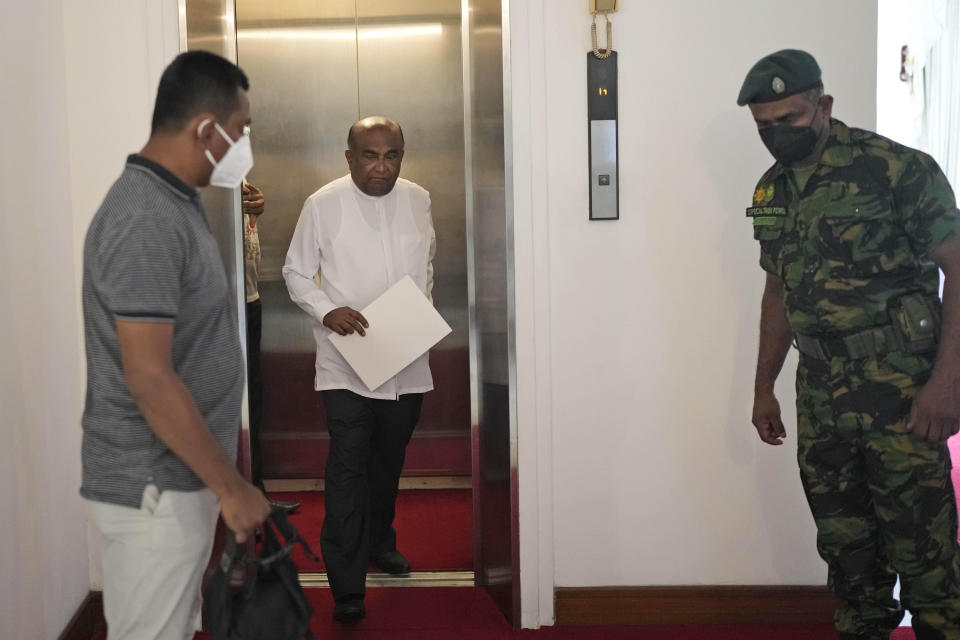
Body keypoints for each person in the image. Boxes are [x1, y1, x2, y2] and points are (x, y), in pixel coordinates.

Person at [741, 49, 960, 640]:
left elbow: (958, 267)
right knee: (849, 559)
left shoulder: (896, 169)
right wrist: (763, 385)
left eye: (788, 119)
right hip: (822, 399)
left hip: (901, 394)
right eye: (764, 126)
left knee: (927, 560)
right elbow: (779, 289)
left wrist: (948, 383)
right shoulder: (772, 192)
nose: (776, 134)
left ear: (823, 106)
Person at [80, 51, 270, 639]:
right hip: (153, 489)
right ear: (206, 130)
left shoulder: (176, 201)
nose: (242, 144)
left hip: (178, 480)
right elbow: (150, 378)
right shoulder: (143, 216)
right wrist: (231, 486)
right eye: (239, 130)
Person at [282, 116, 436, 623]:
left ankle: (379, 541)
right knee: (348, 468)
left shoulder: (418, 198)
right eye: (369, 155)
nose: (381, 166)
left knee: (388, 461)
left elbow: (427, 263)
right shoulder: (322, 205)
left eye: (391, 155)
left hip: (406, 360)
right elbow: (296, 272)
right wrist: (327, 311)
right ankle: (346, 583)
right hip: (346, 363)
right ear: (349, 157)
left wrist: (419, 315)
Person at [242, 180, 300, 513]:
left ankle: (254, 489)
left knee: (254, 399)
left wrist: (253, 214)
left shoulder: (238, 172)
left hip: (248, 298)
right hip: (222, 304)